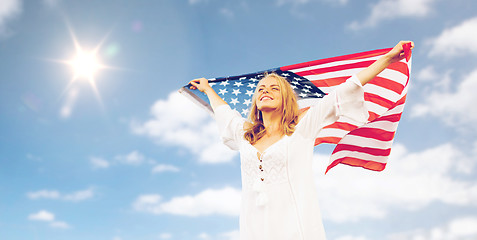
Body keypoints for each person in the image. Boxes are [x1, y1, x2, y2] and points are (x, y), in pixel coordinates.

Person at [189, 41, 414, 240]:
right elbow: (225, 114)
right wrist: (208, 89)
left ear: (285, 98)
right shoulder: (245, 135)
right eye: (261, 89)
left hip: (295, 229)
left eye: (274, 88)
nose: (265, 91)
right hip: (254, 229)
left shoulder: (303, 128)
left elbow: (344, 91)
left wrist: (386, 59)